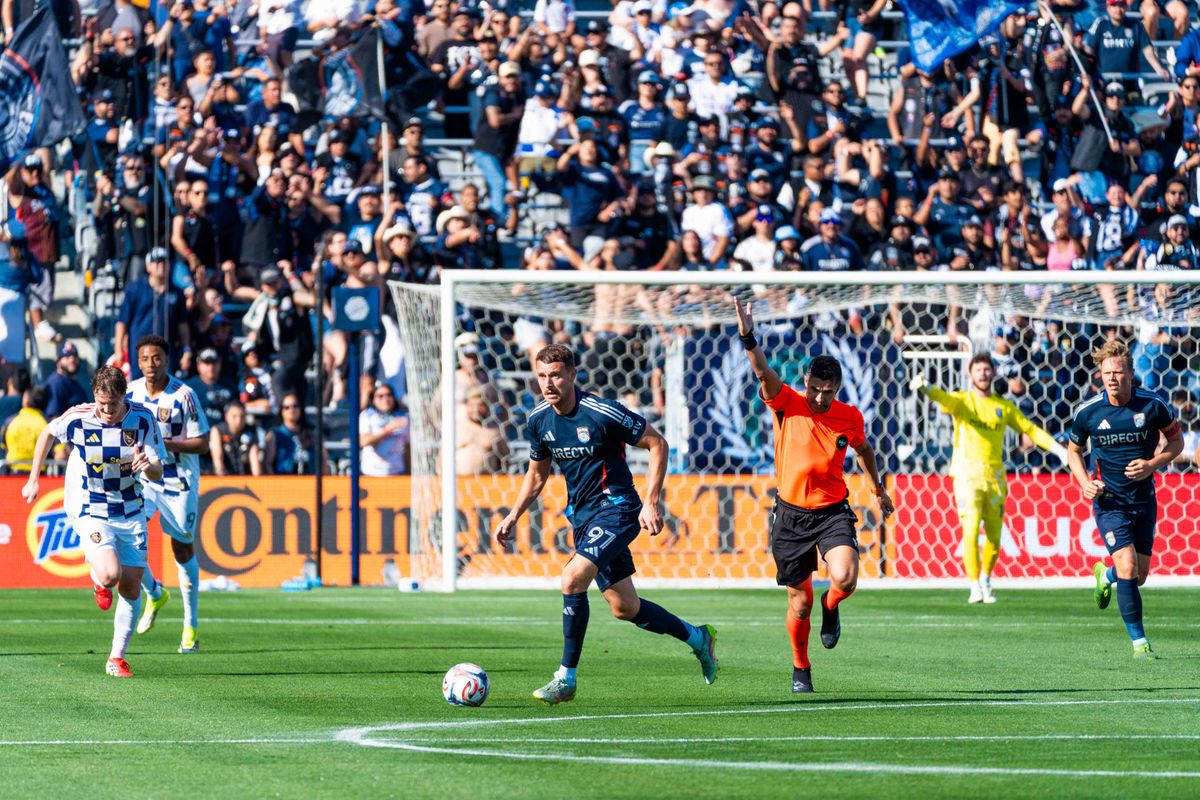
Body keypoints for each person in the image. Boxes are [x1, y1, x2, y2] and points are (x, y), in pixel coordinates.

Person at [493, 344, 717, 704]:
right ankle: (698, 637)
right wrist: (513, 515)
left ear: (572, 375)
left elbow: (657, 443)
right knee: (624, 607)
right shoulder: (539, 420)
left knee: (572, 577)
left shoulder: (601, 412)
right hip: (583, 518)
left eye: (555, 375)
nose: (548, 383)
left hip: (619, 508)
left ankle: (565, 678)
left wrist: (651, 501)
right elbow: (537, 474)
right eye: (542, 376)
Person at [733, 297, 893, 693]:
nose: (821, 398)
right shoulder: (786, 402)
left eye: (829, 391)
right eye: (816, 389)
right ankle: (801, 667)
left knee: (846, 577)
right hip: (790, 515)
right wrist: (748, 337)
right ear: (806, 382)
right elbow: (761, 370)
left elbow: (864, 449)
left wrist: (877, 489)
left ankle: (831, 604)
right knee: (799, 602)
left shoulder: (849, 416)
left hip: (832, 512)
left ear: (838, 389)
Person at [21, 366, 166, 677]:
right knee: (111, 574)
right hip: (94, 508)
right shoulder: (79, 417)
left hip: (132, 510)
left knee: (131, 586)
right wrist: (34, 478)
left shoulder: (143, 419)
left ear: (124, 397)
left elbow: (158, 471)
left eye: (113, 404)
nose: (107, 410)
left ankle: (116, 658)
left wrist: (147, 465)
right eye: (102, 403)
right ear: (95, 397)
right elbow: (48, 432)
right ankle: (100, 580)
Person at [910, 354, 1068, 603]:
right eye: (978, 370)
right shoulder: (963, 401)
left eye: (987, 369)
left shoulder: (1003, 406)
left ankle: (985, 578)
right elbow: (944, 398)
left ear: (993, 373)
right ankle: (973, 585)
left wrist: (1058, 450)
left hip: (995, 478)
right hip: (966, 476)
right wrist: (926, 387)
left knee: (994, 537)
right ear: (970, 374)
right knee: (971, 527)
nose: (983, 374)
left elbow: (1029, 429)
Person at [1069, 341, 1183, 659]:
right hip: (1109, 501)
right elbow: (1073, 451)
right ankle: (1139, 643)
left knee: (1138, 576)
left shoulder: (1153, 405)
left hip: (1144, 501)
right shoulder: (1088, 412)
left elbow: (1176, 441)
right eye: (1106, 372)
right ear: (1100, 374)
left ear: (1131, 374)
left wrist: (1152, 464)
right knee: (1128, 565)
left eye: (1118, 372)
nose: (1112, 378)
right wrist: (1085, 483)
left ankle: (1105, 575)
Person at [125, 335, 210, 653]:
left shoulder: (184, 395)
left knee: (182, 549)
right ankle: (155, 592)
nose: (151, 365)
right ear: (138, 362)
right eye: (145, 359)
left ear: (166, 360)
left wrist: (164, 444)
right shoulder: (130, 392)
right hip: (144, 480)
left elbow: (203, 442)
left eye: (157, 358)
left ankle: (190, 625)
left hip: (178, 482)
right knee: (127, 537)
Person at [360, 383, 410, 477]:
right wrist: (387, 430)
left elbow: (408, 447)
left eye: (389, 395)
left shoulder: (403, 418)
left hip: (397, 473)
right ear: (373, 400)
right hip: (371, 473)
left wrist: (409, 472)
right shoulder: (367, 416)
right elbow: (364, 441)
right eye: (380, 396)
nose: (385, 399)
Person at [210, 400, 262, 476]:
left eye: (242, 416)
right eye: (234, 416)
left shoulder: (251, 431)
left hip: (245, 478)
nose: (238, 420)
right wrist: (222, 480)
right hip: (224, 477)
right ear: (226, 416)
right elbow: (218, 459)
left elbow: (254, 460)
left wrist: (257, 480)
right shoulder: (218, 430)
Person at [42, 342, 90, 420]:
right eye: (67, 357)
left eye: (75, 356)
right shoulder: (56, 383)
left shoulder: (72, 381)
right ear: (58, 362)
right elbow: (54, 417)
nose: (72, 360)